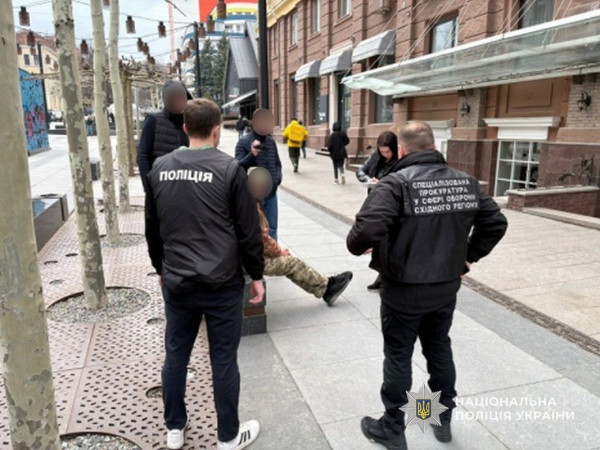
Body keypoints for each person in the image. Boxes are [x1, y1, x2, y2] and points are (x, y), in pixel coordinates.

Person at [347, 121, 507, 450]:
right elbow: (495, 222)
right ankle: (440, 417)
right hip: (445, 286)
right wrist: (467, 258)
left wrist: (369, 243)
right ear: (434, 146)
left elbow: (362, 235)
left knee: (398, 355)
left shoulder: (395, 184)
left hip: (403, 288)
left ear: (402, 149)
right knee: (438, 348)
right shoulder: (465, 182)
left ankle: (393, 428)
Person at [145, 98, 265, 450]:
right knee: (223, 358)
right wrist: (256, 275)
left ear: (185, 128)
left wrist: (161, 268)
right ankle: (228, 436)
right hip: (221, 282)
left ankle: (174, 428)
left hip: (178, 280)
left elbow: (152, 228)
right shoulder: (229, 169)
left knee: (176, 354)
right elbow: (248, 231)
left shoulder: (160, 167)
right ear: (217, 130)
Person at [248, 167, 353, 305]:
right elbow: (263, 240)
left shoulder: (248, 201)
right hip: (248, 260)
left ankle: (324, 286)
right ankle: (326, 288)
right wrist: (279, 252)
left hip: (247, 255)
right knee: (292, 263)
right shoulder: (251, 207)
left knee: (289, 261)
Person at [356, 131, 399, 291]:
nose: (385, 155)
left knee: (390, 242)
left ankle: (385, 277)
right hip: (375, 204)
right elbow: (361, 171)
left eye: (388, 151)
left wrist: (385, 184)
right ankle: (382, 276)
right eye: (382, 151)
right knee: (379, 241)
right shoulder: (376, 157)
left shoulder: (400, 161)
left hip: (391, 206)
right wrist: (369, 180)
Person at [235, 108, 282, 241]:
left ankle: (273, 253)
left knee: (272, 229)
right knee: (255, 230)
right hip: (253, 197)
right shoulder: (244, 142)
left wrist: (277, 179)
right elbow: (237, 167)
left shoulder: (271, 142)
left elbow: (277, 163)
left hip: (271, 194)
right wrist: (252, 154)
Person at [138, 80, 192, 190]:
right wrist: (149, 187)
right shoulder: (153, 120)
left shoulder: (191, 122)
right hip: (160, 186)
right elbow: (142, 156)